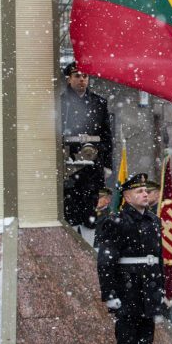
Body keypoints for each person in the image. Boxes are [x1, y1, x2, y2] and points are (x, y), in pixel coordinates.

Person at [95, 173, 167, 344]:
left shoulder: (153, 222)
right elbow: (106, 261)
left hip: (148, 287)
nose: (145, 194)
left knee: (145, 339)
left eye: (146, 191)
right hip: (127, 287)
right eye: (139, 191)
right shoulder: (115, 221)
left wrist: (160, 291)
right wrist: (110, 293)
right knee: (126, 339)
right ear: (126, 196)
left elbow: (158, 260)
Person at [61, 61, 113, 232]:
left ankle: (88, 247)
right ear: (69, 79)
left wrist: (107, 164)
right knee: (71, 210)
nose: (82, 79)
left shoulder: (99, 103)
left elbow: (106, 135)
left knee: (90, 212)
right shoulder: (61, 103)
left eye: (85, 76)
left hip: (93, 165)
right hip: (70, 165)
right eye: (77, 76)